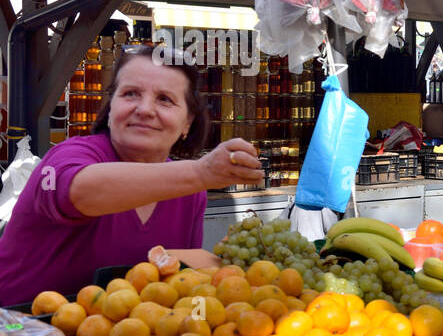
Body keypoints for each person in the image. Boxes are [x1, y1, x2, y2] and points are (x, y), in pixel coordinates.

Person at [0, 46, 264, 306]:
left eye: (165, 99)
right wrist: (201, 172)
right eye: (130, 94)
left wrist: (251, 278)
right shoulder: (69, 155)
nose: (145, 109)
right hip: (16, 334)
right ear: (110, 107)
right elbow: (79, 192)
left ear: (187, 123)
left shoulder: (190, 190)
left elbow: (179, 270)